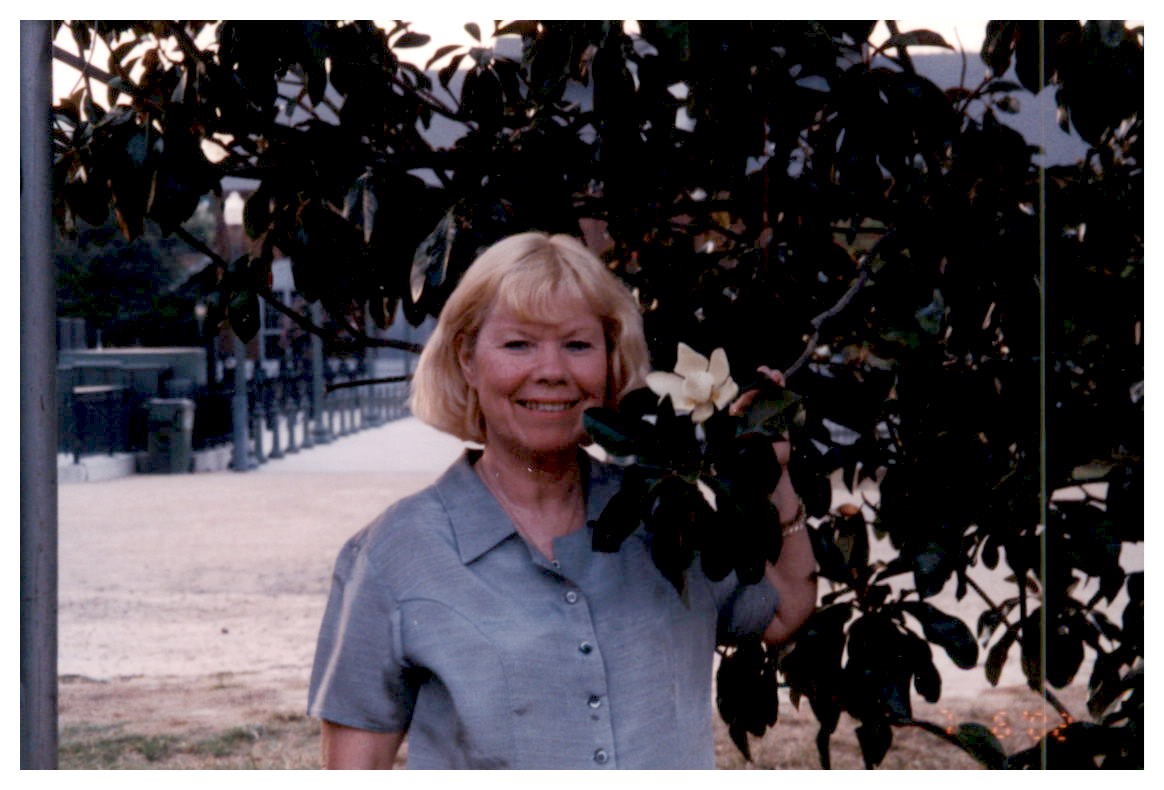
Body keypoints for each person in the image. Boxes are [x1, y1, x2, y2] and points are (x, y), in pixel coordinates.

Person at [307, 231, 817, 769]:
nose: (551, 371)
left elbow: (786, 610)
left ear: (610, 363)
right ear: (467, 360)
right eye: (517, 344)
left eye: (577, 344)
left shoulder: (666, 517)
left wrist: (771, 472)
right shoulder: (393, 556)